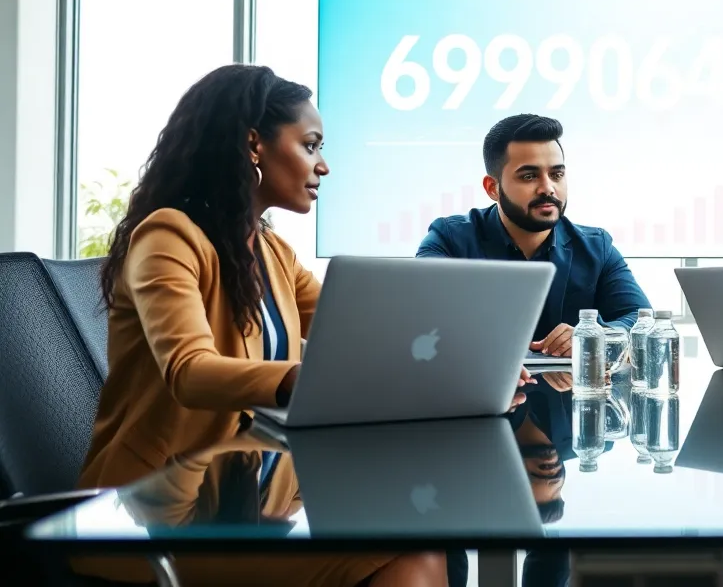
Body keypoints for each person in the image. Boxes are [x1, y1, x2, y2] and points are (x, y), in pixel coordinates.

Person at [74, 65, 446, 586]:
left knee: (419, 540)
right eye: (311, 145)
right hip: (154, 515)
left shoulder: (271, 251)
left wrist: (466, 358)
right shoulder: (168, 236)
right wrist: (298, 379)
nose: (324, 166)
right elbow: (189, 371)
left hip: (246, 496)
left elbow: (362, 332)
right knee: (412, 545)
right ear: (254, 144)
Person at [416, 114, 650, 358]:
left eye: (556, 174)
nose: (547, 188)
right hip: (476, 391)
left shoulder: (596, 247)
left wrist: (596, 334)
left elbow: (641, 319)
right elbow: (419, 316)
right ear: (492, 188)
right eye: (529, 176)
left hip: (569, 392)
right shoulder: (449, 239)